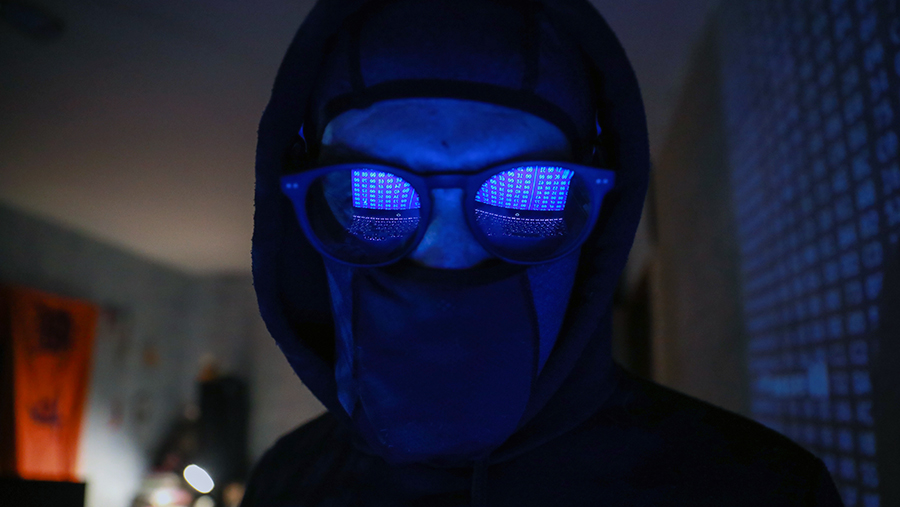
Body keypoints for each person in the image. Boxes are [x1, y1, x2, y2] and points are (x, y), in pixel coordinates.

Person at [243, 0, 844, 505]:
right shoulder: (280, 488)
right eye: (371, 195)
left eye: (523, 195)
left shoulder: (763, 490)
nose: (447, 257)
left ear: (601, 209)